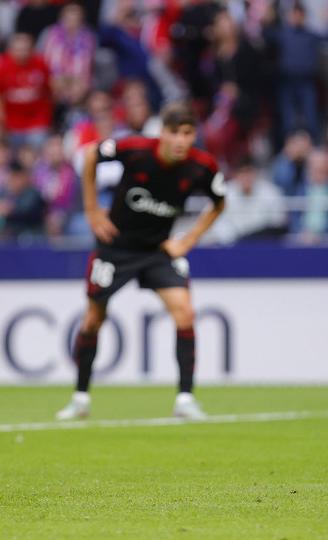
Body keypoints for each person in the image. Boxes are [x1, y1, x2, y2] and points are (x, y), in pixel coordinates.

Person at [55, 103, 226, 421]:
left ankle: (185, 399)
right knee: (93, 319)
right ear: (162, 132)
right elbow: (91, 153)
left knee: (185, 313)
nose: (180, 140)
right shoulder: (134, 148)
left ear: (194, 135)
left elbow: (219, 202)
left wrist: (187, 240)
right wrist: (92, 210)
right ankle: (80, 398)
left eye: (187, 133)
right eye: (174, 132)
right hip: (115, 246)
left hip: (158, 250)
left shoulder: (202, 167)